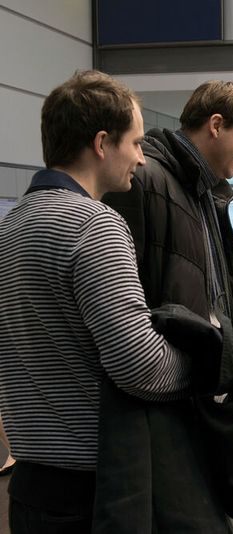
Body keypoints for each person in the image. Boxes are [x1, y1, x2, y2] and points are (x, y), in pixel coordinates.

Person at [0, 70, 193, 534]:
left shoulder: (10, 227)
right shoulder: (95, 224)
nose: (142, 160)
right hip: (94, 489)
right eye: (136, 143)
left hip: (30, 487)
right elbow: (140, 367)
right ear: (102, 143)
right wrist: (208, 365)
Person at [103, 80, 233, 531]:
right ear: (216, 125)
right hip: (163, 401)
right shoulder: (146, 182)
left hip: (197, 390)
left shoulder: (202, 191)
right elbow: (126, 304)